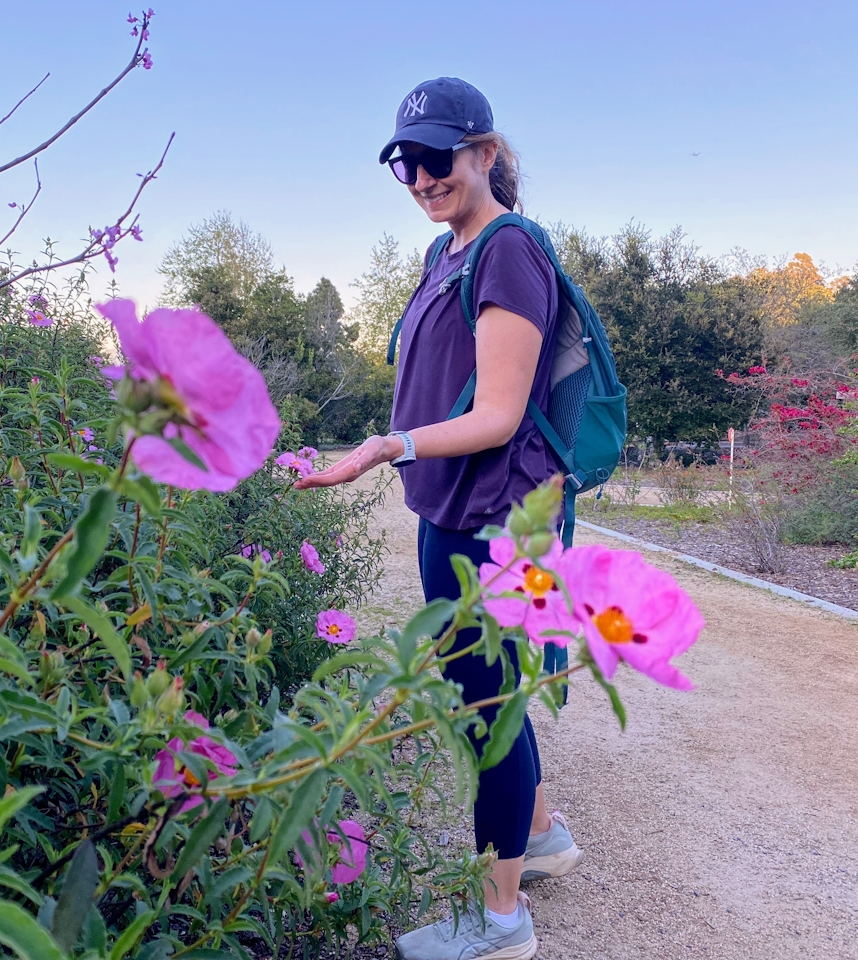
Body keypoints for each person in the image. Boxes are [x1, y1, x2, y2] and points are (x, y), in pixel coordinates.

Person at [294, 77, 581, 960]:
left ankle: (500, 924)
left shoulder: (506, 250)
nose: (419, 177)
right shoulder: (445, 255)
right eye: (402, 161)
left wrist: (387, 449)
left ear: (487, 153)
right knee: (493, 692)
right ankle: (540, 840)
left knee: (485, 706)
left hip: (497, 519)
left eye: (436, 157)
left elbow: (497, 412)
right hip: (454, 508)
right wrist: (385, 443)